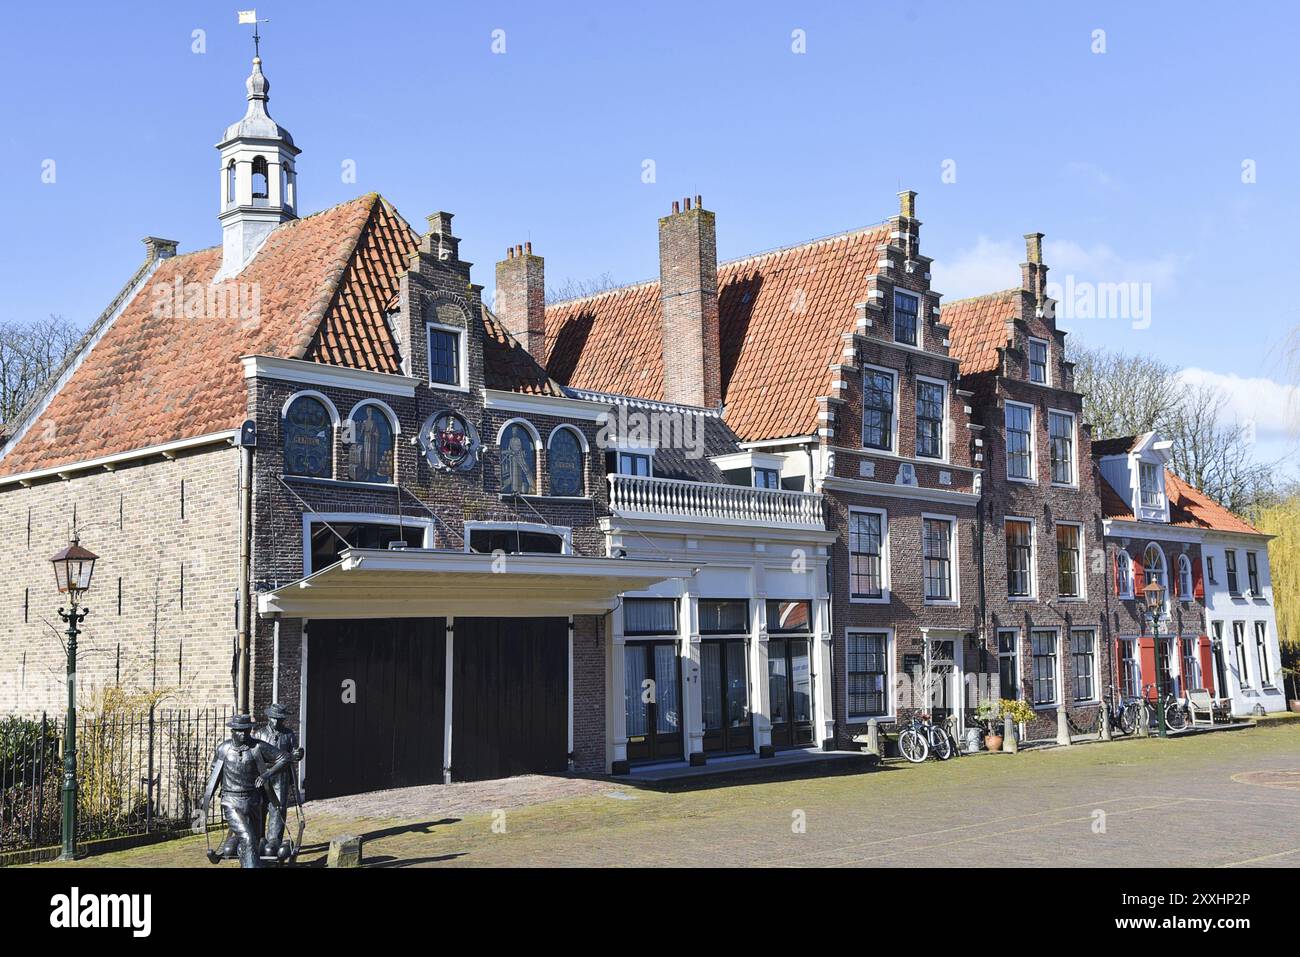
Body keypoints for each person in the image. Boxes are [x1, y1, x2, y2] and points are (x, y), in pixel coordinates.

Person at [200, 714, 295, 868]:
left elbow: (284, 758)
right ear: (232, 731)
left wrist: (267, 775)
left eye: (246, 730)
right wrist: (206, 798)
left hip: (253, 801)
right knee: (247, 837)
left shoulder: (257, 747)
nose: (242, 734)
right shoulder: (223, 749)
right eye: (239, 731)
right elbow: (215, 775)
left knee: (254, 842)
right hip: (231, 801)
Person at [255, 702, 304, 859]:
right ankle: (259, 838)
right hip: (262, 774)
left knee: (278, 807)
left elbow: (295, 752)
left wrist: (298, 753)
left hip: (281, 776)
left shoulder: (289, 734)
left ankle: (274, 840)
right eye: (274, 718)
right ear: (269, 717)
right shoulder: (259, 734)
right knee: (260, 805)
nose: (276, 722)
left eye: (280, 719)